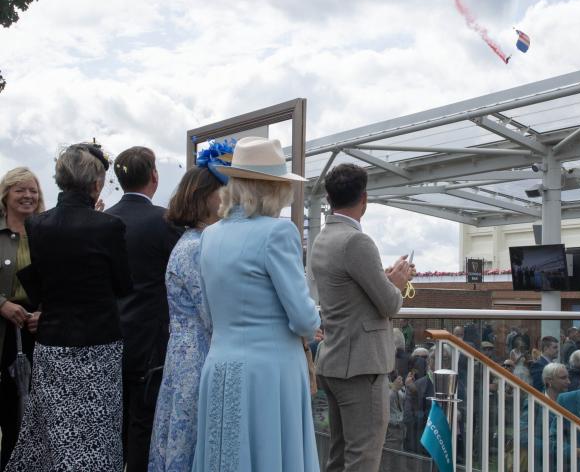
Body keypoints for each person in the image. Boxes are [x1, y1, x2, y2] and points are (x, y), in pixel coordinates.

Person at [191, 137, 321, 470]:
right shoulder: (278, 233)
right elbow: (305, 320)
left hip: (220, 365)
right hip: (270, 371)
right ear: (273, 189)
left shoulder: (210, 235)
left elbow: (208, 309)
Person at [6, 143, 132, 471]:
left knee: (55, 431)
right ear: (95, 183)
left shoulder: (38, 225)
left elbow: (42, 286)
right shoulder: (109, 227)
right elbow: (122, 285)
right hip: (98, 343)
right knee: (99, 432)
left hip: (52, 342)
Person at [310, 163, 412, 472]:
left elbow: (350, 292)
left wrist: (385, 278)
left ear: (328, 196)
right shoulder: (357, 241)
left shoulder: (323, 238)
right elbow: (390, 304)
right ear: (364, 199)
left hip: (334, 361)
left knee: (339, 458)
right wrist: (397, 281)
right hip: (361, 368)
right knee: (363, 459)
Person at [106, 146, 182, 472]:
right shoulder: (165, 222)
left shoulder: (104, 220)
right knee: (144, 426)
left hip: (108, 335)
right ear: (154, 176)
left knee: (114, 426)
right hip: (152, 340)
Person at [148, 162, 226, 472]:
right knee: (194, 432)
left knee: (181, 429)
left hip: (184, 353)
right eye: (224, 192)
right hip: (198, 353)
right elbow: (211, 313)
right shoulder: (198, 246)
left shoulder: (190, 241)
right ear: (206, 196)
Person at [0, 167, 44, 467]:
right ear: (6, 195)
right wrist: (2, 304)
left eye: (33, 190)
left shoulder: (47, 232)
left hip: (35, 336)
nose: (28, 196)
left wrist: (46, 312)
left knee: (26, 422)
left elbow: (62, 282)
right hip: (2, 336)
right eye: (20, 190)